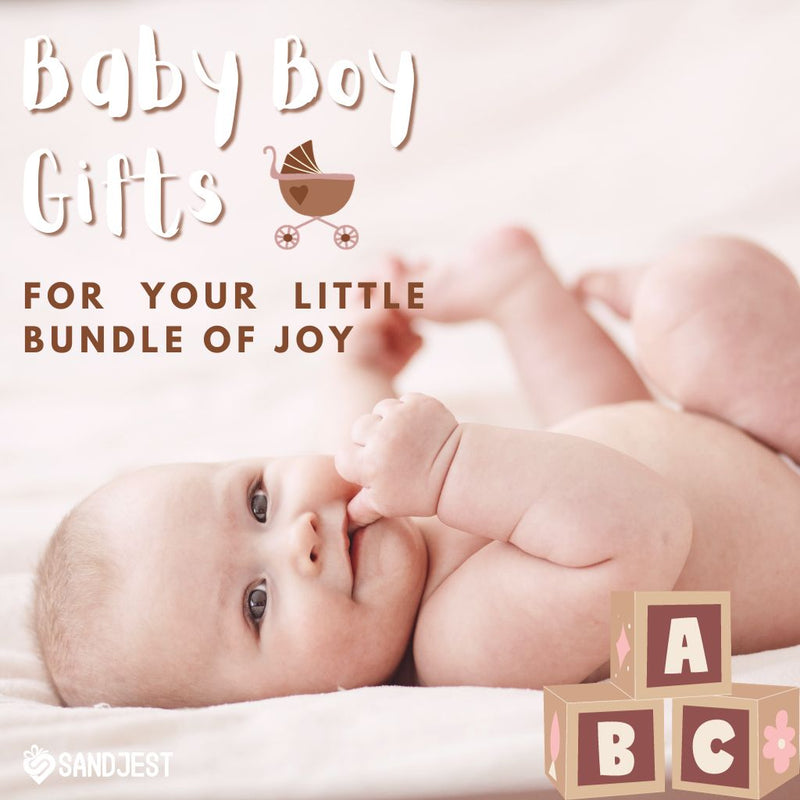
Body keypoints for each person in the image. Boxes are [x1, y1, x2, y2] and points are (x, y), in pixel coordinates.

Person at [34, 228, 800, 708]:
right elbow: (645, 528)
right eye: (258, 605)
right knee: (695, 297)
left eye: (258, 500)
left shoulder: (359, 511)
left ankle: (521, 294)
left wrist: (361, 355)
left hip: (695, 441)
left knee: (686, 312)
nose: (297, 534)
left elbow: (349, 410)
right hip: (782, 515)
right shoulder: (461, 644)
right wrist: (448, 462)